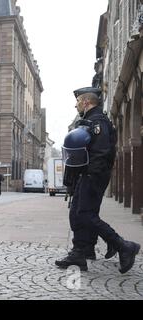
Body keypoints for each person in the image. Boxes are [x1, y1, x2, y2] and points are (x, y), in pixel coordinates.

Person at [55, 87, 140, 273]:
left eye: (78, 101)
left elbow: (101, 153)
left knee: (85, 214)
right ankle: (81, 251)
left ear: (86, 102)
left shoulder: (97, 121)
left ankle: (124, 246)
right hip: (87, 175)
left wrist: (91, 175)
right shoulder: (91, 120)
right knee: (78, 213)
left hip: (93, 175)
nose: (76, 104)